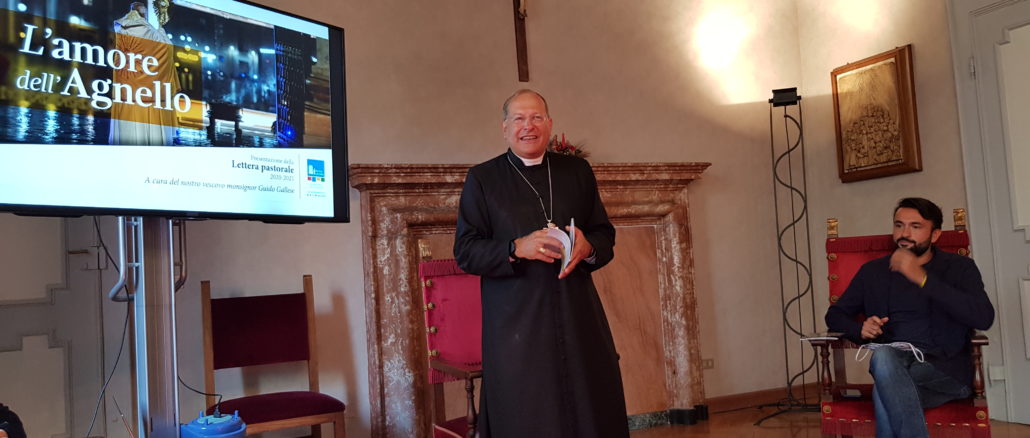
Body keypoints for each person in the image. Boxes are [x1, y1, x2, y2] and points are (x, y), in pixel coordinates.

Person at [453, 89, 629, 437]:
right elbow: (466, 251)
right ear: (505, 128)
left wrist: (588, 247)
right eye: (519, 119)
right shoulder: (483, 178)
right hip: (517, 324)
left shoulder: (576, 171)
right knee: (529, 414)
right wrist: (516, 247)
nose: (528, 126)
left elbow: (604, 234)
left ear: (549, 124)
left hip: (577, 316)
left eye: (536, 118)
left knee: (590, 407)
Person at [825, 197, 995, 438]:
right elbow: (835, 315)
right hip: (893, 363)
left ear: (935, 235)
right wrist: (860, 328)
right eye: (899, 225)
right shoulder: (873, 272)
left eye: (915, 226)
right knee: (884, 358)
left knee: (884, 390)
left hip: (945, 370)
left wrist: (922, 278)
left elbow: (984, 317)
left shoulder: (960, 268)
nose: (904, 233)